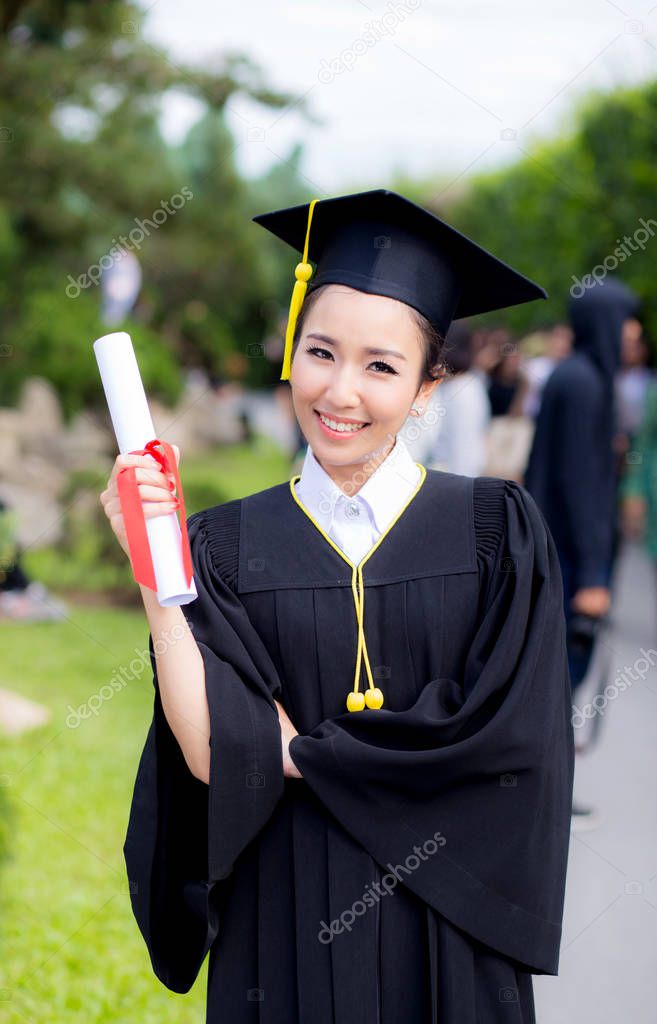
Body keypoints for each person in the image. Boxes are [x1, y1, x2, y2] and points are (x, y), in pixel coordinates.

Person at [102, 189, 574, 1024]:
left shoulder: (495, 535)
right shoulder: (219, 545)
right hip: (282, 917)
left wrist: (299, 756)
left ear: (429, 385)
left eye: (381, 366)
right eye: (319, 351)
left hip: (449, 923)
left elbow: (512, 743)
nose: (340, 391)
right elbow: (211, 747)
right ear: (291, 350)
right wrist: (153, 567)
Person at [524, 276, 639, 828]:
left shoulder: (574, 377)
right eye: (629, 319)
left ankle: (543, 787)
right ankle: (542, 792)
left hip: (555, 550)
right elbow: (582, 485)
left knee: (554, 677)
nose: (636, 332)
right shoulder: (587, 383)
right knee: (562, 677)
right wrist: (593, 573)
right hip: (570, 558)